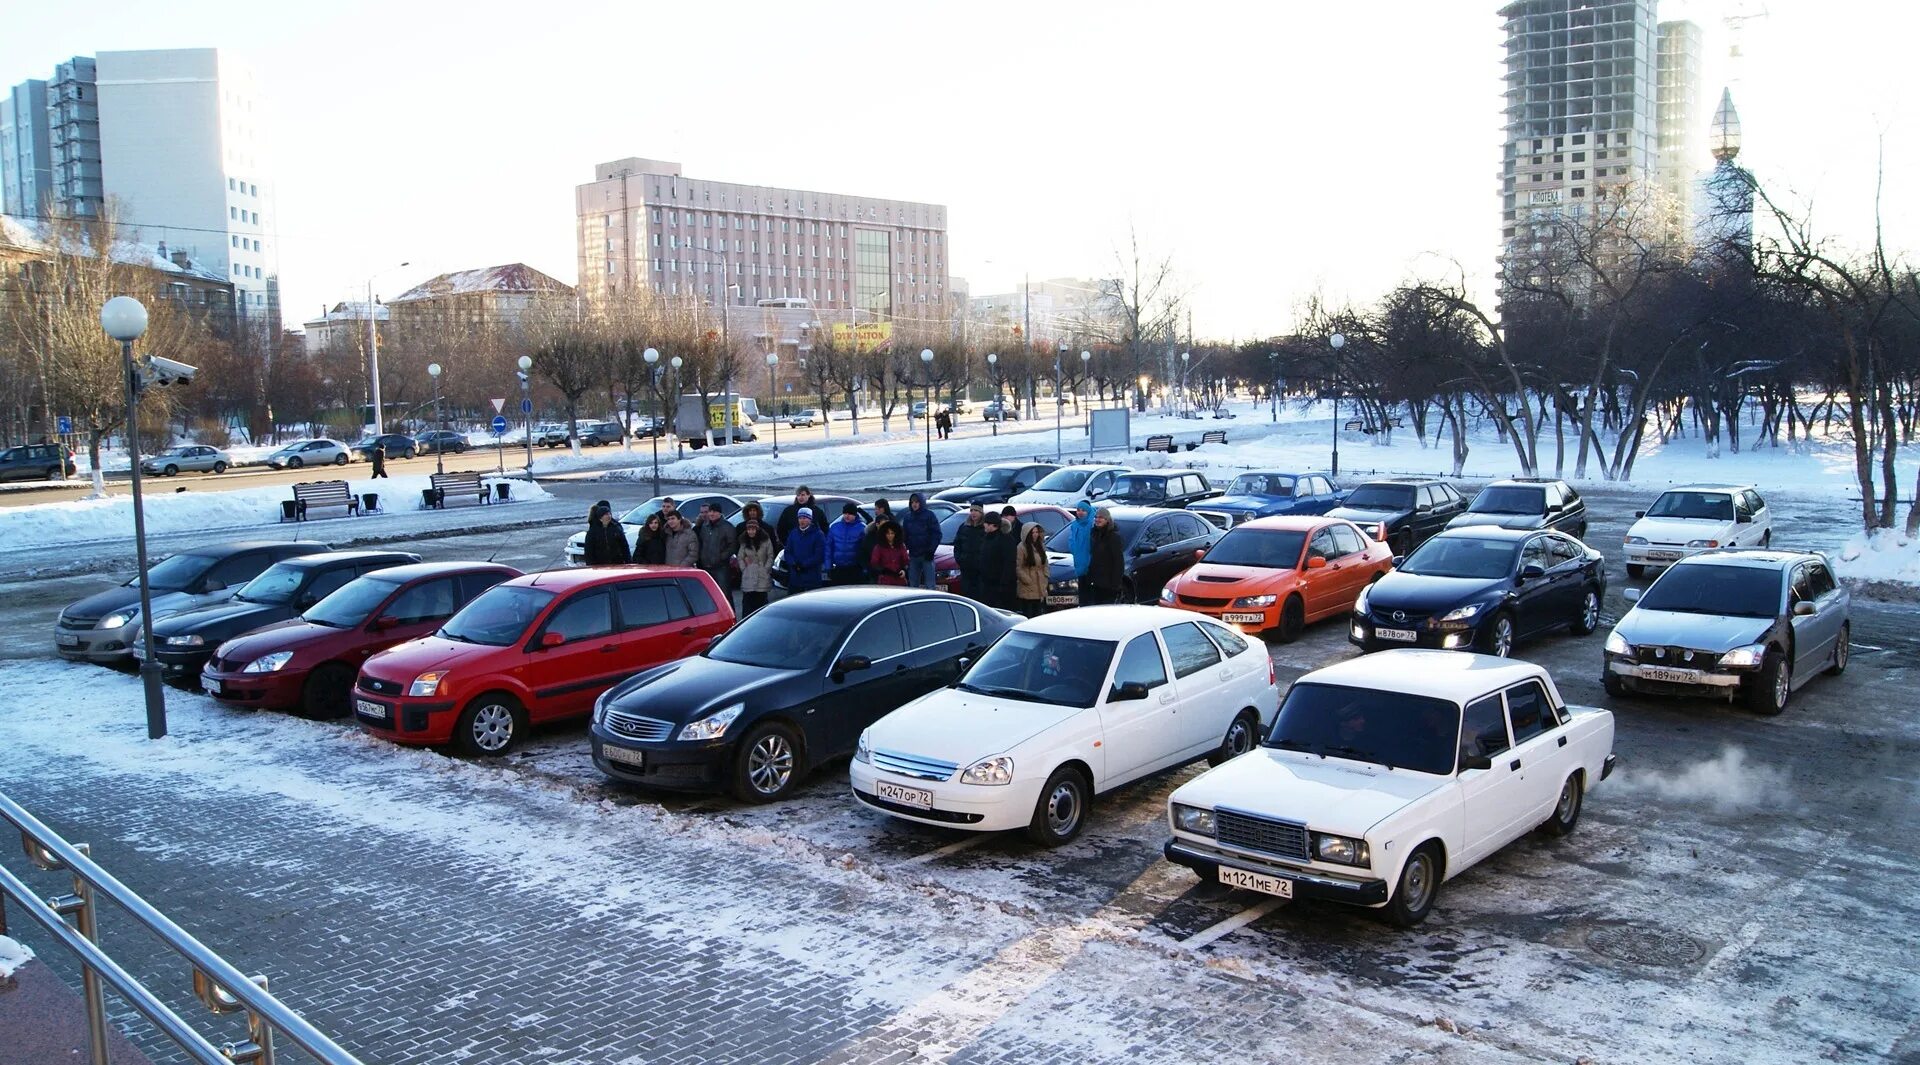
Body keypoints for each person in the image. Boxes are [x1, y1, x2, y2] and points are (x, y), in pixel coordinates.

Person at [1083, 506, 1126, 605]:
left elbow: (1118, 562)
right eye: (1096, 517)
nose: (1097, 519)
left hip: (1108, 585)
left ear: (1107, 520)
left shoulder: (1113, 537)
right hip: (1095, 583)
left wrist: (1115, 584)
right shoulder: (1094, 535)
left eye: (1101, 517)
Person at [695, 502, 739, 600]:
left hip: (721, 567)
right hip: (706, 566)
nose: (711, 514)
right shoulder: (705, 526)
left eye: (714, 512)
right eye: (710, 511)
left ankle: (730, 614)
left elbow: (733, 546)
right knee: (709, 596)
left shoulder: (727, 527)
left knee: (724, 595)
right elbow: (701, 543)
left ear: (719, 513)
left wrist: (721, 557)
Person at [901, 492, 942, 589]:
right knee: (913, 584)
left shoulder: (929, 515)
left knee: (930, 584)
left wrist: (931, 550)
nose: (914, 504)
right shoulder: (908, 517)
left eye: (917, 502)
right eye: (912, 502)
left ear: (921, 503)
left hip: (926, 554)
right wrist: (905, 548)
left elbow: (936, 534)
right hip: (913, 554)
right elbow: (905, 535)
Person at [783, 509, 829, 593]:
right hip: (795, 578)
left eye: (804, 518)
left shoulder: (818, 534)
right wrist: (793, 563)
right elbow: (788, 551)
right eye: (800, 518)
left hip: (812, 579)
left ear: (810, 519)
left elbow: (819, 555)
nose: (802, 520)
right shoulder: (793, 533)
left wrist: (804, 565)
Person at [736, 519, 775, 616]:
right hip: (748, 574)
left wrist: (766, 569)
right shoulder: (744, 541)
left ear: (757, 529)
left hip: (762, 575)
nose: (751, 532)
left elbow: (770, 555)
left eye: (753, 529)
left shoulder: (765, 540)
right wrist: (744, 569)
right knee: (748, 604)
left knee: (761, 602)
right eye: (749, 529)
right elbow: (740, 557)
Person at [978, 512, 1017, 609]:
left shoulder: (1005, 540)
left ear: (993, 525)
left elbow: (1009, 563)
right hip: (987, 584)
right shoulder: (986, 538)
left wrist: (1003, 584)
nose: (984, 525)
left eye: (986, 523)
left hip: (1000, 586)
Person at [826, 502, 868, 585]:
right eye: (845, 513)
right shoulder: (835, 527)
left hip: (855, 569)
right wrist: (828, 566)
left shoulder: (862, 528)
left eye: (850, 514)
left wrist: (865, 568)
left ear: (855, 515)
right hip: (838, 568)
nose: (847, 516)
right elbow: (828, 548)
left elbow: (865, 550)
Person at [1016, 522, 1051, 617]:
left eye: (1037, 532)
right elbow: (1018, 567)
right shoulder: (1021, 547)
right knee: (1029, 613)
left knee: (1038, 612)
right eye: (1032, 532)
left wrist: (1046, 575)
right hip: (1028, 586)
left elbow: (1045, 562)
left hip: (1040, 583)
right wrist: (1027, 580)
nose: (1035, 535)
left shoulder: (1040, 545)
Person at [952, 503, 987, 600]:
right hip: (966, 568)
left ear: (981, 512)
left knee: (980, 596)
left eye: (976, 511)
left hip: (980, 570)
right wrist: (960, 559)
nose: (973, 513)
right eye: (971, 510)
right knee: (967, 595)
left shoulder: (985, 528)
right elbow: (957, 544)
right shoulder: (964, 527)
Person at [583, 501, 632, 566]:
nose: (609, 516)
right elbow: (589, 551)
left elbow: (624, 547)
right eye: (606, 514)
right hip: (599, 565)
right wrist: (591, 565)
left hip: (617, 564)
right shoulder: (593, 531)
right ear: (600, 518)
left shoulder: (616, 528)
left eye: (609, 514)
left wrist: (628, 562)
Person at [859, 499, 895, 580]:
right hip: (875, 570)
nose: (876, 511)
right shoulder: (871, 535)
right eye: (875, 509)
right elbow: (864, 551)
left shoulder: (892, 525)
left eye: (878, 509)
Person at [1066, 499, 1095, 589]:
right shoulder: (1074, 524)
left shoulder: (1093, 524)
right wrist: (1073, 549)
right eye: (1078, 510)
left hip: (1090, 565)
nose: (1080, 512)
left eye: (1083, 510)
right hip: (1077, 563)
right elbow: (1071, 540)